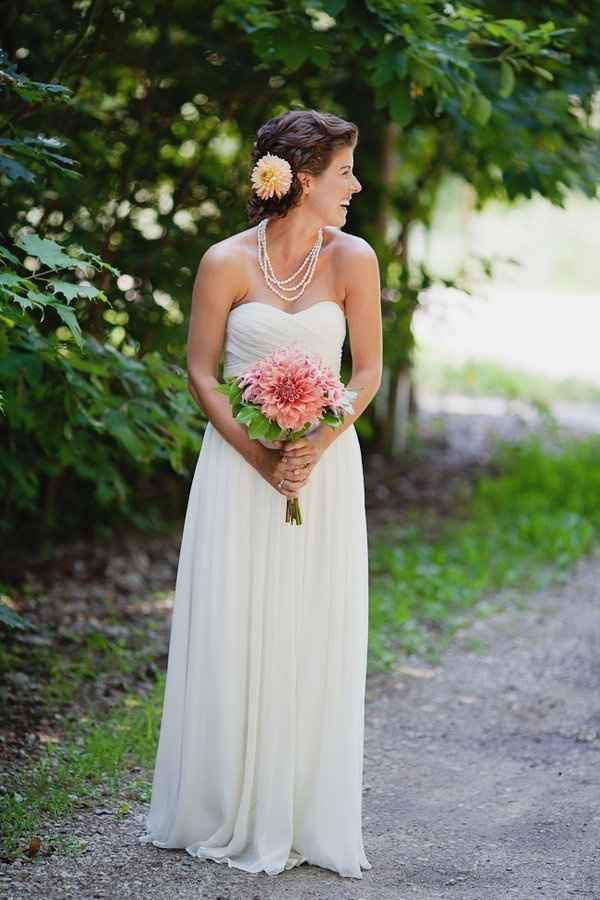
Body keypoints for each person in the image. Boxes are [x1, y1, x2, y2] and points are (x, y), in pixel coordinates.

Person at [139, 108, 382, 880]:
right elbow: (201, 371)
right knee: (235, 619)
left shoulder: (355, 260)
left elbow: (367, 371)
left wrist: (318, 440)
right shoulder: (224, 263)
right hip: (238, 473)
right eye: (345, 172)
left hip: (322, 468)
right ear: (303, 179)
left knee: (310, 624)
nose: (356, 185)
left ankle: (302, 805)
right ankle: (218, 801)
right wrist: (256, 453)